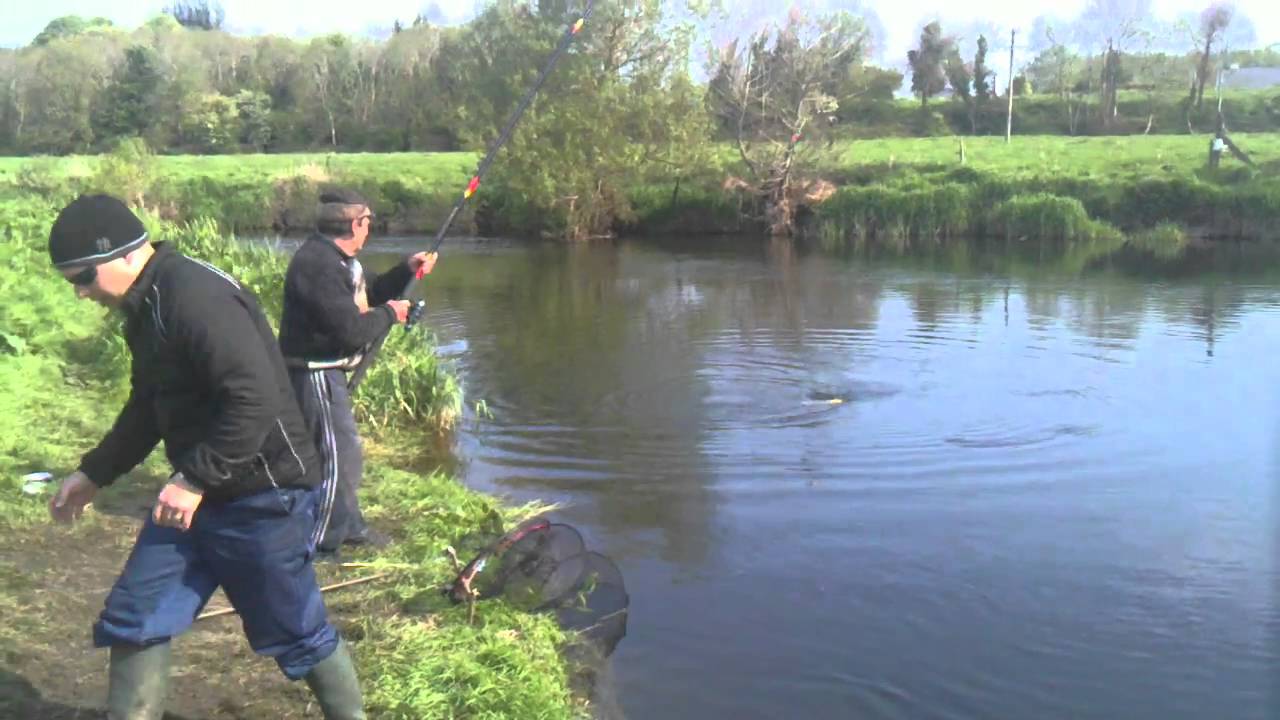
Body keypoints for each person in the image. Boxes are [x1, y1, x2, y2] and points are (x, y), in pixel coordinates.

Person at [45, 194, 366, 720]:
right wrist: (94, 473)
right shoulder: (146, 304)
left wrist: (194, 478)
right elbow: (150, 403)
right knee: (136, 615)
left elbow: (255, 398)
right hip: (197, 498)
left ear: (124, 253)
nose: (81, 292)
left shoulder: (195, 298)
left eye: (83, 277)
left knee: (296, 634)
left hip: (266, 494)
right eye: (72, 283)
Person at [279, 188, 436, 555]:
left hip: (326, 372)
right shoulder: (318, 265)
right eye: (368, 221)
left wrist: (406, 270)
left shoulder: (337, 260)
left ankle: (348, 527)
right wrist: (391, 314)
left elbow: (369, 294)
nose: (370, 228)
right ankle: (323, 541)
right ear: (355, 225)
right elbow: (350, 331)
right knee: (339, 457)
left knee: (341, 454)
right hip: (315, 373)